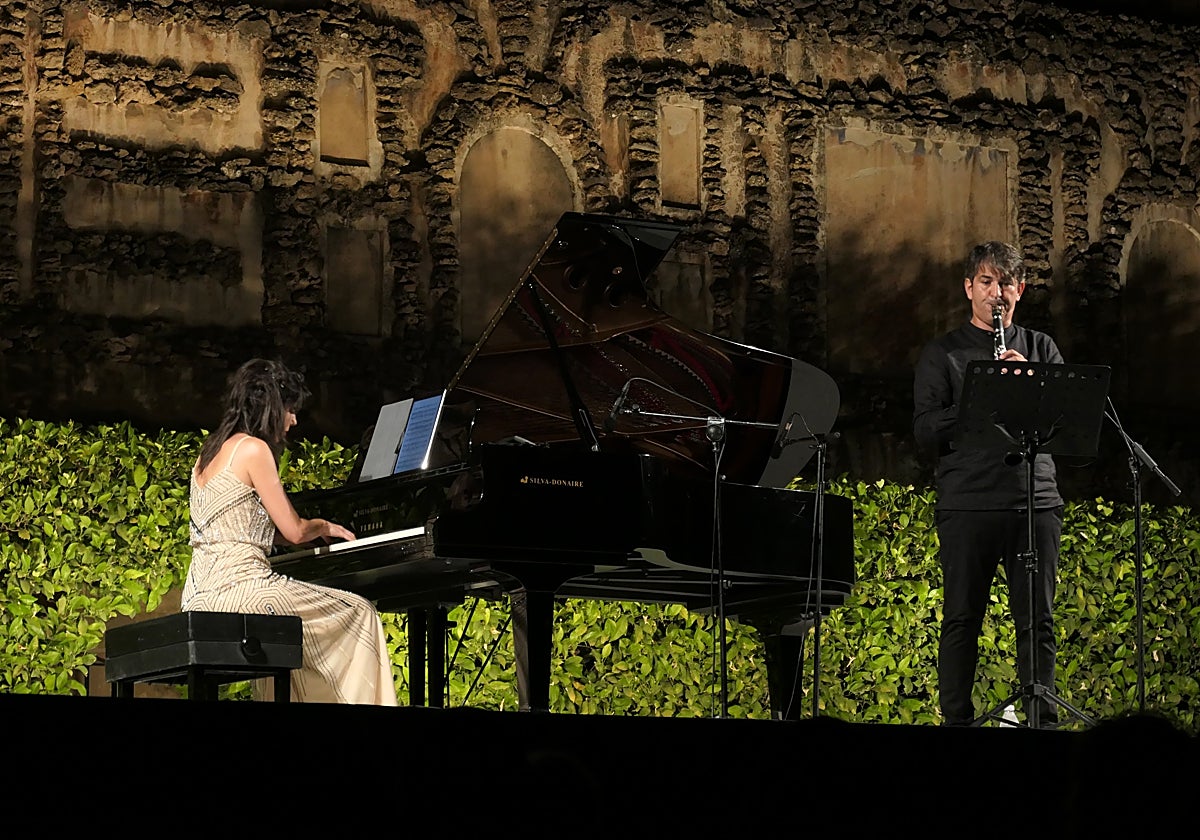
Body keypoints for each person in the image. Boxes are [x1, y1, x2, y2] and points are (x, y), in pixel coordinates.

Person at [181, 358, 399, 705]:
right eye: (290, 409)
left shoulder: (207, 455)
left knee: (294, 640)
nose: (294, 419)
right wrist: (324, 526)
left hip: (197, 595)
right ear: (271, 406)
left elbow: (243, 527)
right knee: (360, 612)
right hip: (243, 591)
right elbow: (296, 531)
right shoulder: (254, 449)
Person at [912, 241, 1064, 727]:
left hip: (1033, 501)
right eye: (986, 282)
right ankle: (957, 724)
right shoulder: (943, 353)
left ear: (1021, 290)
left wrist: (1030, 383)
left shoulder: (1040, 348)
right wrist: (983, 393)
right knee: (962, 619)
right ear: (968, 288)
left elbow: (1067, 422)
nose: (996, 293)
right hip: (968, 502)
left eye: (1006, 284)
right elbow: (925, 430)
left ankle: (1041, 723)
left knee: (1037, 621)